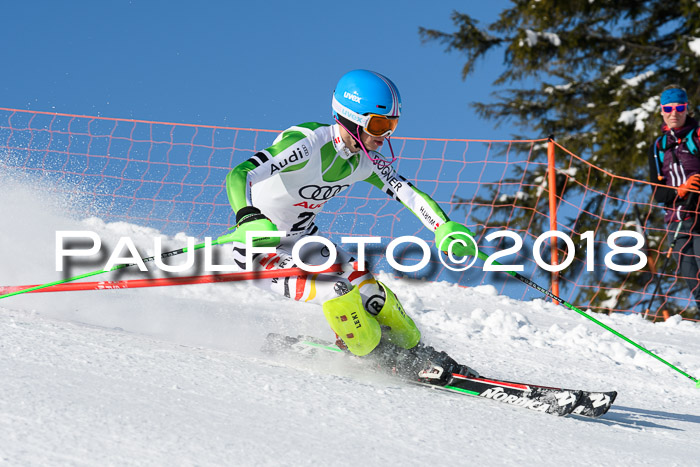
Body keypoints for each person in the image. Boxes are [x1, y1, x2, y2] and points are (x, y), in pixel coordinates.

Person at [223, 69, 478, 383]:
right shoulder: (306, 143)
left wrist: (443, 227)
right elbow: (240, 174)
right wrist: (248, 216)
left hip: (304, 243)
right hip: (258, 250)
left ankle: (411, 352)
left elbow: (408, 193)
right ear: (351, 116)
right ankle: (370, 353)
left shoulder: (363, 159)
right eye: (379, 125)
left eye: (392, 125)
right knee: (337, 291)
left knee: (375, 296)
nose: (384, 136)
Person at [648, 85, 700, 309]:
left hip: (699, 215)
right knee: (691, 276)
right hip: (676, 221)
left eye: (679, 107)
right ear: (661, 110)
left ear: (686, 108)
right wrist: (679, 190)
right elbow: (658, 192)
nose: (674, 113)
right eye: (668, 108)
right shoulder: (659, 147)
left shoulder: (697, 135)